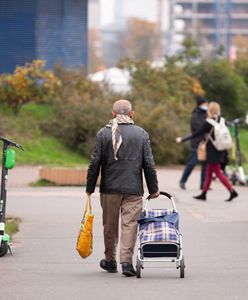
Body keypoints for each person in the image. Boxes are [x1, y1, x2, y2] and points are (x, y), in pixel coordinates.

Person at [86, 99, 159, 277]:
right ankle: (126, 262)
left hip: (109, 188)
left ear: (113, 114)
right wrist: (153, 188)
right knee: (130, 225)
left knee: (109, 226)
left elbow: (95, 162)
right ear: (131, 114)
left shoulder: (103, 133)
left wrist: (90, 187)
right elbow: (149, 163)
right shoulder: (141, 134)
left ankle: (110, 261)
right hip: (133, 189)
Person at [176, 101, 238, 202]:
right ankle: (203, 194)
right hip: (220, 149)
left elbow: (196, 134)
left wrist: (182, 139)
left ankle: (232, 191)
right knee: (209, 173)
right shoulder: (221, 120)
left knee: (218, 173)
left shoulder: (208, 122)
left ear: (210, 110)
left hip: (212, 151)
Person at [179, 96, 208, 190]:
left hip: (205, 143)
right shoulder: (195, 115)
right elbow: (199, 130)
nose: (206, 105)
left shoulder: (206, 114)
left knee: (205, 165)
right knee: (192, 163)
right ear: (200, 104)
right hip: (196, 143)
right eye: (205, 104)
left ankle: (203, 185)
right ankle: (183, 181)